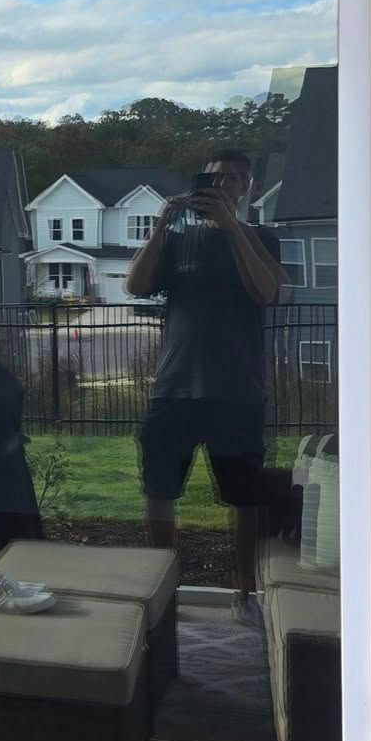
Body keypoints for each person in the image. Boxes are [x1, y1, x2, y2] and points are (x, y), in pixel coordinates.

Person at [125, 146, 284, 619]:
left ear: (248, 188)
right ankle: (165, 595)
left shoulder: (261, 238)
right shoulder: (178, 239)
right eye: (216, 178)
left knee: (245, 499)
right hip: (174, 388)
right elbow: (136, 286)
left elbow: (268, 292)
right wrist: (161, 225)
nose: (225, 186)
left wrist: (233, 228)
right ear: (201, 184)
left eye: (235, 179)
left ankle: (245, 597)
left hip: (237, 392)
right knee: (160, 492)